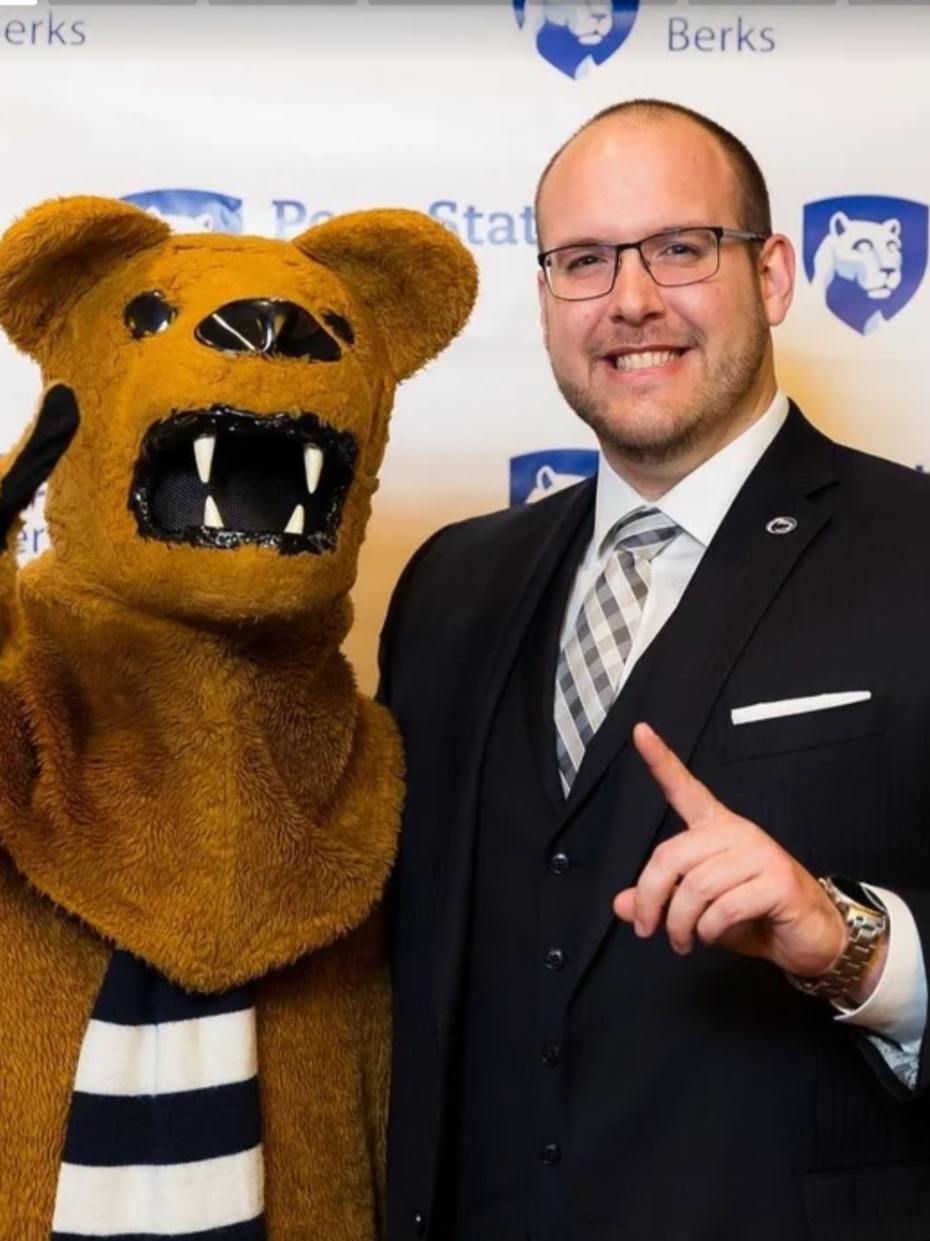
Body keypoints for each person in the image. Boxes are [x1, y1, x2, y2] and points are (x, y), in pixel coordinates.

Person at [378, 99, 930, 1241]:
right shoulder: (448, 586)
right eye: (583, 260)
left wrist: (851, 944)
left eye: (681, 247)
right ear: (545, 298)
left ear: (772, 274)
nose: (631, 299)